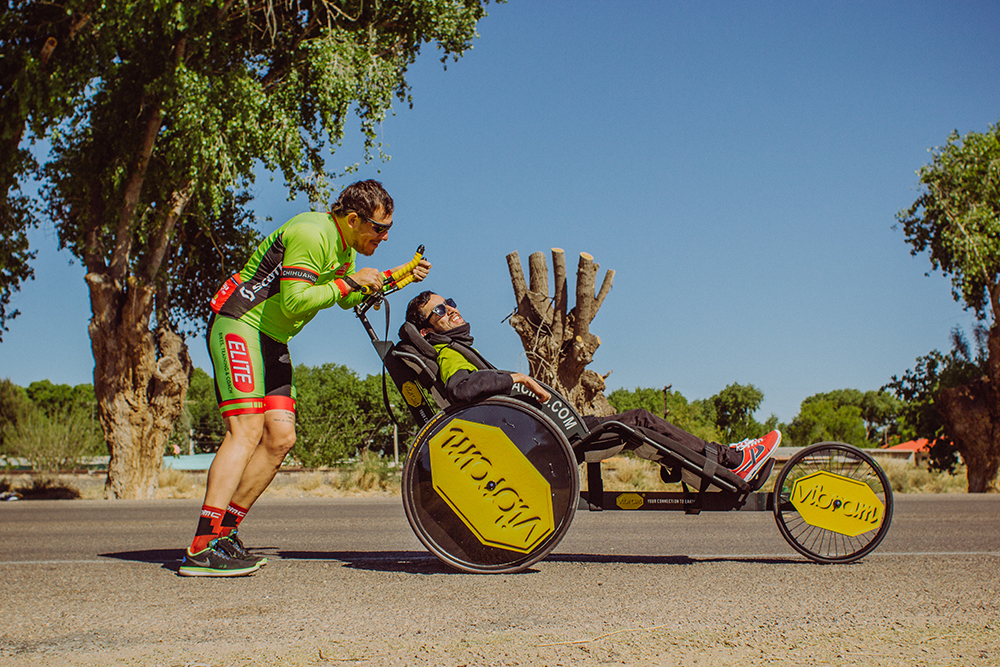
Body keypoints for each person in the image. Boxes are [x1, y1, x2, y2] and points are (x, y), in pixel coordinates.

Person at [179, 180, 431, 577]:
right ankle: (201, 546)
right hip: (240, 325)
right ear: (353, 219)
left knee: (280, 439)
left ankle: (225, 532)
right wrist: (349, 281)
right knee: (245, 431)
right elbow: (296, 298)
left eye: (389, 231)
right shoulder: (313, 233)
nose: (384, 237)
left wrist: (399, 276)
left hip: (273, 338)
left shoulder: (342, 248)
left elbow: (348, 296)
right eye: (380, 229)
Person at [404, 291, 780, 489]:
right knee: (639, 420)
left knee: (635, 423)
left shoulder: (456, 350)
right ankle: (731, 462)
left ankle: (706, 469)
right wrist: (519, 378)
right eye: (439, 311)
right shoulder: (449, 354)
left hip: (548, 432)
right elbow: (460, 389)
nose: (451, 310)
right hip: (551, 440)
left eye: (449, 303)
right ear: (427, 332)